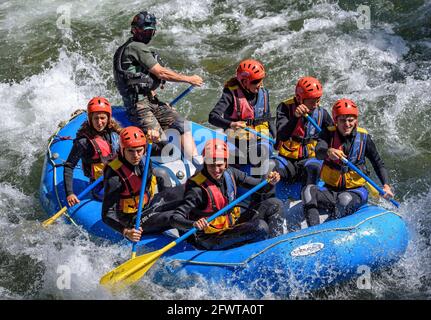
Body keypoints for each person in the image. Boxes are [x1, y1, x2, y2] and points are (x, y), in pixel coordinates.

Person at [113, 10, 204, 167]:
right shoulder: (136, 47)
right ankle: (156, 172)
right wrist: (189, 79)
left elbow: (136, 77)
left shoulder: (131, 47)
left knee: (181, 124)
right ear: (135, 30)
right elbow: (161, 72)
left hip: (150, 101)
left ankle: (196, 161)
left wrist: (154, 97)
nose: (147, 33)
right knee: (159, 142)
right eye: (143, 30)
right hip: (138, 107)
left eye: (149, 30)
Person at [170, 139, 284, 250]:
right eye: (211, 165)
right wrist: (193, 224)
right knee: (260, 227)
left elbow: (258, 186)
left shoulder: (231, 172)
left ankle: (276, 246)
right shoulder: (196, 188)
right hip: (210, 237)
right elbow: (175, 218)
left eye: (219, 165)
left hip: (230, 223)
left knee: (275, 204)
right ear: (205, 163)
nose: (216, 170)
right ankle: (258, 252)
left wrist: (270, 182)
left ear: (226, 163)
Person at [301, 98, 395, 227]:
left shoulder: (364, 138)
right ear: (336, 121)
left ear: (356, 120)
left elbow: (378, 163)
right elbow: (319, 151)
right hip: (330, 190)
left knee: (344, 199)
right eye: (342, 120)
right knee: (307, 190)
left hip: (355, 191)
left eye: (351, 120)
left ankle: (333, 228)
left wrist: (386, 185)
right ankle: (313, 230)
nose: (347, 124)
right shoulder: (327, 133)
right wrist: (328, 151)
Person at [102, 126, 185, 241]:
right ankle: (191, 242)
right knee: (175, 215)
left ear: (144, 149)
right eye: (130, 151)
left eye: (139, 150)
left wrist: (159, 139)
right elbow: (107, 214)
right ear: (122, 150)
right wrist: (126, 232)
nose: (136, 155)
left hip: (149, 204)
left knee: (188, 192)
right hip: (133, 219)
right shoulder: (114, 175)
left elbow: (170, 151)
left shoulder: (146, 152)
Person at [208, 59, 274, 176]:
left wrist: (276, 139)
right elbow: (212, 117)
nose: (260, 84)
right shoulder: (230, 94)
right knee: (236, 161)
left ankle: (259, 177)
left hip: (260, 141)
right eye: (256, 81)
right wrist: (231, 124)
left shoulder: (263, 93)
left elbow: (268, 118)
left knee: (260, 152)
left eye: (261, 80)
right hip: (238, 142)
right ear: (244, 82)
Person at [274, 76, 333, 187]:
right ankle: (264, 200)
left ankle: (308, 200)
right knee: (270, 166)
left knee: (315, 167)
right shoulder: (284, 108)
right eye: (311, 101)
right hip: (287, 160)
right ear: (299, 98)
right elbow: (282, 135)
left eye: (318, 100)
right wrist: (295, 117)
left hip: (309, 161)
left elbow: (334, 136)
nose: (315, 105)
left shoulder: (322, 113)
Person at [64, 97, 121, 206]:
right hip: (100, 185)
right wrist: (70, 193)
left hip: (118, 175)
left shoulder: (114, 132)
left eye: (102, 118)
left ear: (108, 118)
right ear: (90, 119)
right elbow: (69, 166)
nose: (99, 122)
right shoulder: (83, 142)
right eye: (96, 118)